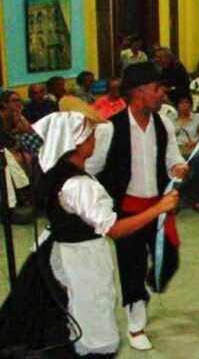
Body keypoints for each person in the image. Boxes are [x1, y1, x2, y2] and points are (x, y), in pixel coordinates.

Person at [0, 102, 179, 357]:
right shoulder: (78, 185)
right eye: (91, 135)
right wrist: (159, 207)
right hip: (81, 259)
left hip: (63, 249)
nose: (95, 139)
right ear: (77, 143)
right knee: (91, 321)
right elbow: (114, 229)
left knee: (74, 315)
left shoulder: (57, 171)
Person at [88, 61, 189, 351]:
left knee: (168, 261)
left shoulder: (163, 123)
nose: (163, 94)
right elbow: (92, 169)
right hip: (128, 211)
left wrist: (179, 167)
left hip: (158, 208)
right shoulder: (110, 129)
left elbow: (173, 158)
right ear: (140, 92)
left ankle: (144, 289)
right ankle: (136, 324)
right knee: (131, 267)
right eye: (158, 89)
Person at [169, 93, 199, 214]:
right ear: (177, 106)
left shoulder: (198, 117)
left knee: (197, 158)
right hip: (175, 149)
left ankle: (196, 200)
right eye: (181, 103)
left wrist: (196, 142)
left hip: (192, 148)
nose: (184, 106)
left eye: (187, 103)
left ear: (191, 105)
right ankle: (174, 201)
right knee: (172, 161)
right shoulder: (170, 118)